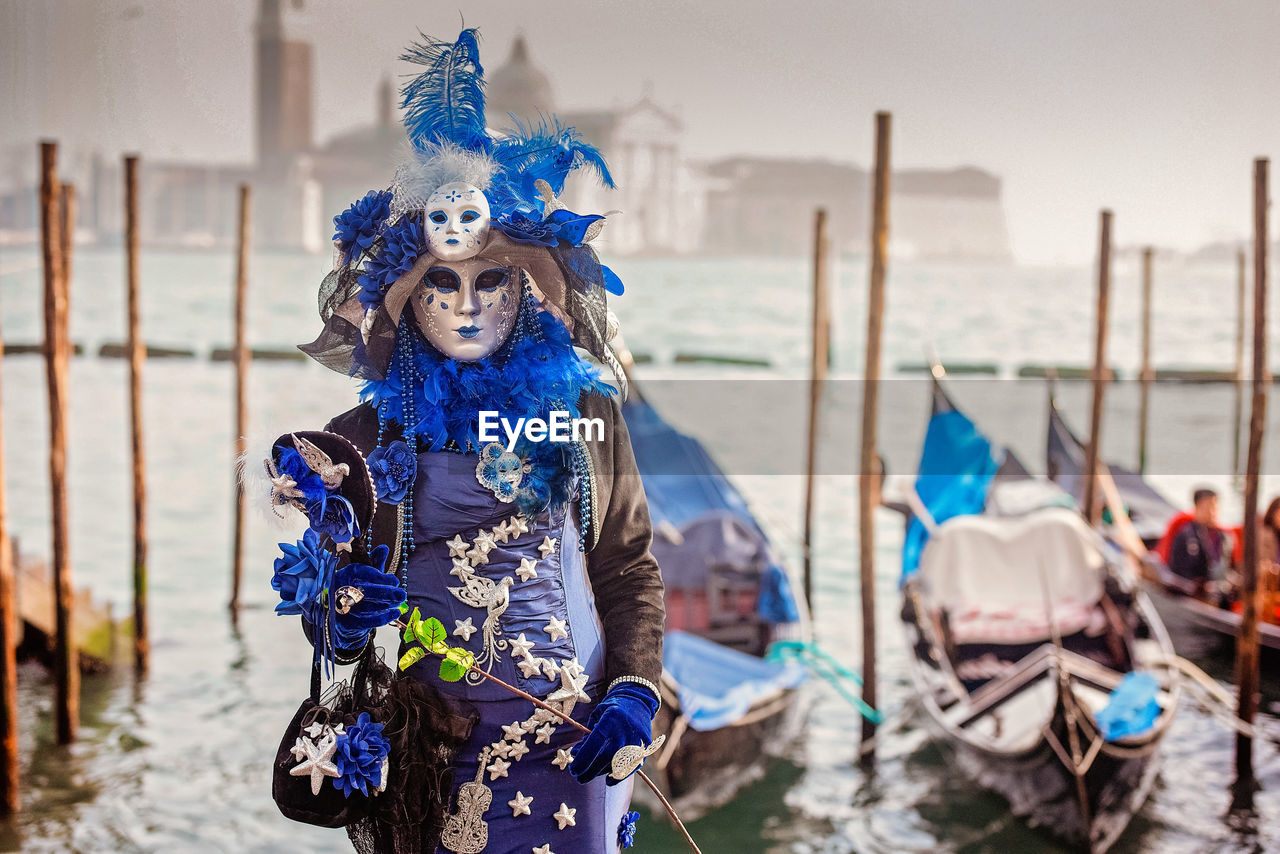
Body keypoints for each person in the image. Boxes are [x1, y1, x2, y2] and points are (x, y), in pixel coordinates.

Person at [261, 29, 665, 854]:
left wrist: (635, 692)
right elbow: (333, 625)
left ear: (526, 288)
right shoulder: (359, 438)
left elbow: (625, 563)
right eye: (442, 285)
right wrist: (341, 614)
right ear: (407, 301)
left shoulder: (586, 411)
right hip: (424, 745)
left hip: (574, 740)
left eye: (492, 283)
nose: (470, 306)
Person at [1163, 488, 1231, 598]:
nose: (1212, 512)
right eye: (1207, 508)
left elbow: (1225, 569)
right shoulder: (1185, 535)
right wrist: (1198, 587)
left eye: (1215, 508)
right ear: (1197, 507)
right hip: (1193, 594)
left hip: (1219, 592)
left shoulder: (1223, 537)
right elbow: (1177, 571)